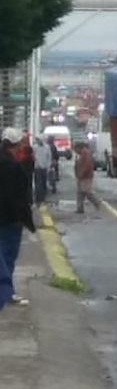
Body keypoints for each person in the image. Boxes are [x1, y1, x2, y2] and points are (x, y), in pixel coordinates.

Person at [0, 128, 36, 307]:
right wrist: (27, 219)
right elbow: (18, 196)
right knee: (7, 256)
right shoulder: (13, 167)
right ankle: (6, 292)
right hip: (10, 219)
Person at [74, 141, 101, 214]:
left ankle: (96, 202)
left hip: (86, 176)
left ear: (79, 148)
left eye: (75, 149)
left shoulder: (85, 153)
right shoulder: (81, 154)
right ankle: (80, 208)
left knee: (87, 192)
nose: (75, 151)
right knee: (80, 192)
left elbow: (87, 165)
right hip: (81, 176)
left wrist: (82, 173)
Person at [16, 130, 35, 205]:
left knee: (25, 186)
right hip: (27, 170)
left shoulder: (24, 149)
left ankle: (27, 200)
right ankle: (29, 200)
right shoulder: (26, 149)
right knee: (27, 186)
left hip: (25, 170)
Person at [32, 137, 52, 205]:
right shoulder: (34, 147)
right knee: (38, 184)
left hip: (44, 167)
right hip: (37, 168)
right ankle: (38, 198)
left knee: (44, 183)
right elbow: (33, 157)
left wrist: (48, 167)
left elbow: (49, 157)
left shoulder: (47, 147)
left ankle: (43, 198)